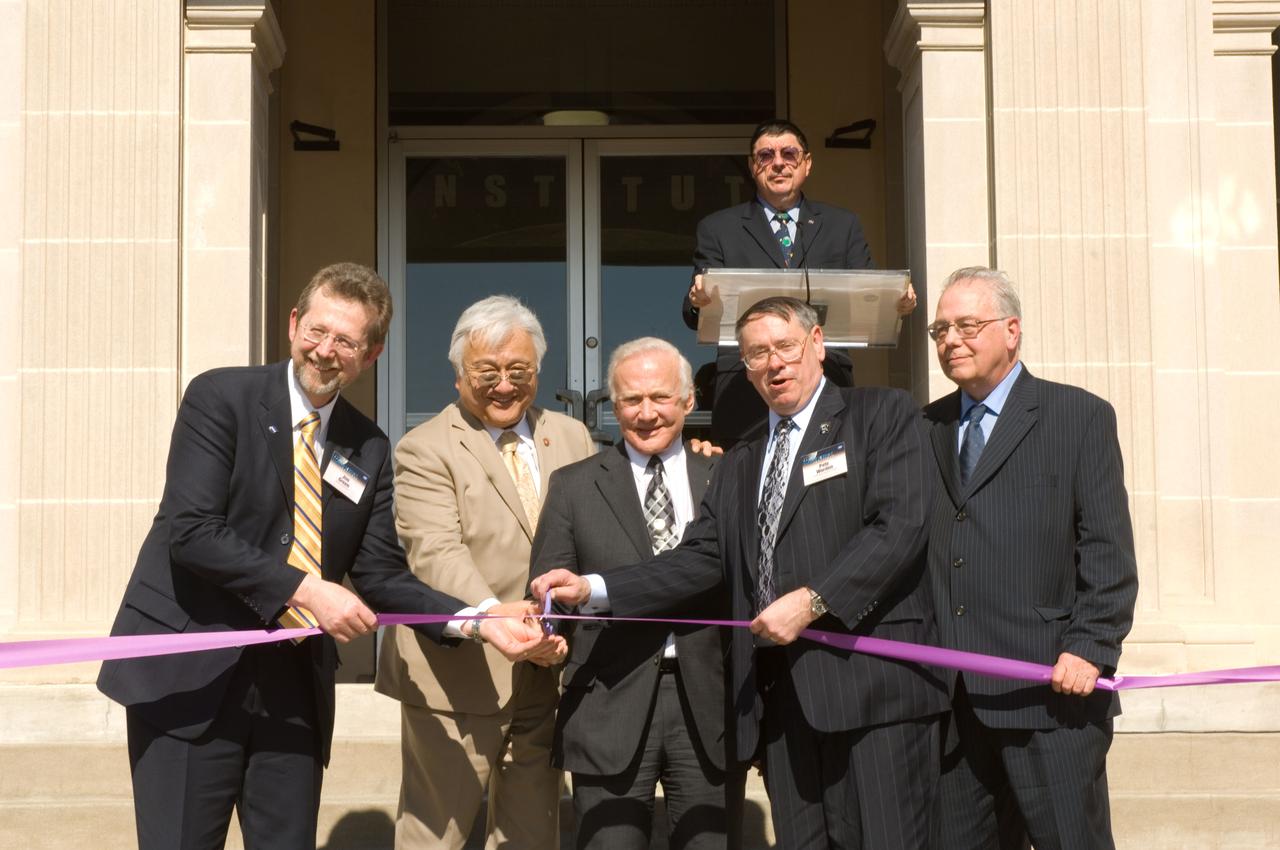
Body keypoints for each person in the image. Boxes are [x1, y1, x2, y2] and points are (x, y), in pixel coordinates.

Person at [96, 263, 554, 850]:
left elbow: (381, 575)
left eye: (346, 340)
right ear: (293, 324)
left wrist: (479, 619)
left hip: (293, 693)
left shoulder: (369, 445)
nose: (325, 350)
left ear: (373, 354)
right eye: (317, 331)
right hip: (189, 681)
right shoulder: (222, 397)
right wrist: (307, 590)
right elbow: (192, 531)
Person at [533, 296, 949, 849]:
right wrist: (595, 588)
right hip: (782, 706)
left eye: (785, 347)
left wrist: (813, 599)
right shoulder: (743, 458)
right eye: (757, 355)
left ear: (817, 344)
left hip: (873, 695)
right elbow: (702, 558)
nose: (774, 364)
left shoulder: (882, 414)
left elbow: (898, 528)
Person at [922, 267, 1139, 849]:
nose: (950, 340)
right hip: (954, 708)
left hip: (1052, 696)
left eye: (967, 325)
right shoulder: (924, 428)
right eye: (940, 329)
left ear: (1011, 330)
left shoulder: (1079, 417)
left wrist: (1091, 648)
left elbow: (1106, 552)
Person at [375, 295, 597, 849]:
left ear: (538, 371)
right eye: (487, 371)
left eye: (518, 370)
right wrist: (500, 621)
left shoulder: (572, 437)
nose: (504, 385)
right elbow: (436, 553)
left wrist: (559, 631)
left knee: (530, 836)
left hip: (546, 672)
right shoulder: (423, 448)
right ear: (458, 376)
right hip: (457, 675)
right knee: (435, 837)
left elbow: (596, 539)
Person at [529, 337, 747, 850]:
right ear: (613, 405)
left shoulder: (725, 475)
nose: (646, 413)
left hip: (708, 708)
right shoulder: (573, 485)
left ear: (689, 401)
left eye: (660, 398)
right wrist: (546, 631)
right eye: (631, 400)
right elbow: (548, 592)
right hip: (607, 705)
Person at [682, 119, 918, 446]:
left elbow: (869, 294)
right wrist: (698, 300)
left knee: (827, 487)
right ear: (753, 167)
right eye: (765, 155)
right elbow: (695, 311)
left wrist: (897, 303)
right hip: (746, 388)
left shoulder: (841, 225)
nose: (778, 163)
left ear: (806, 164)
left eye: (789, 154)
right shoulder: (719, 228)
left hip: (825, 379)